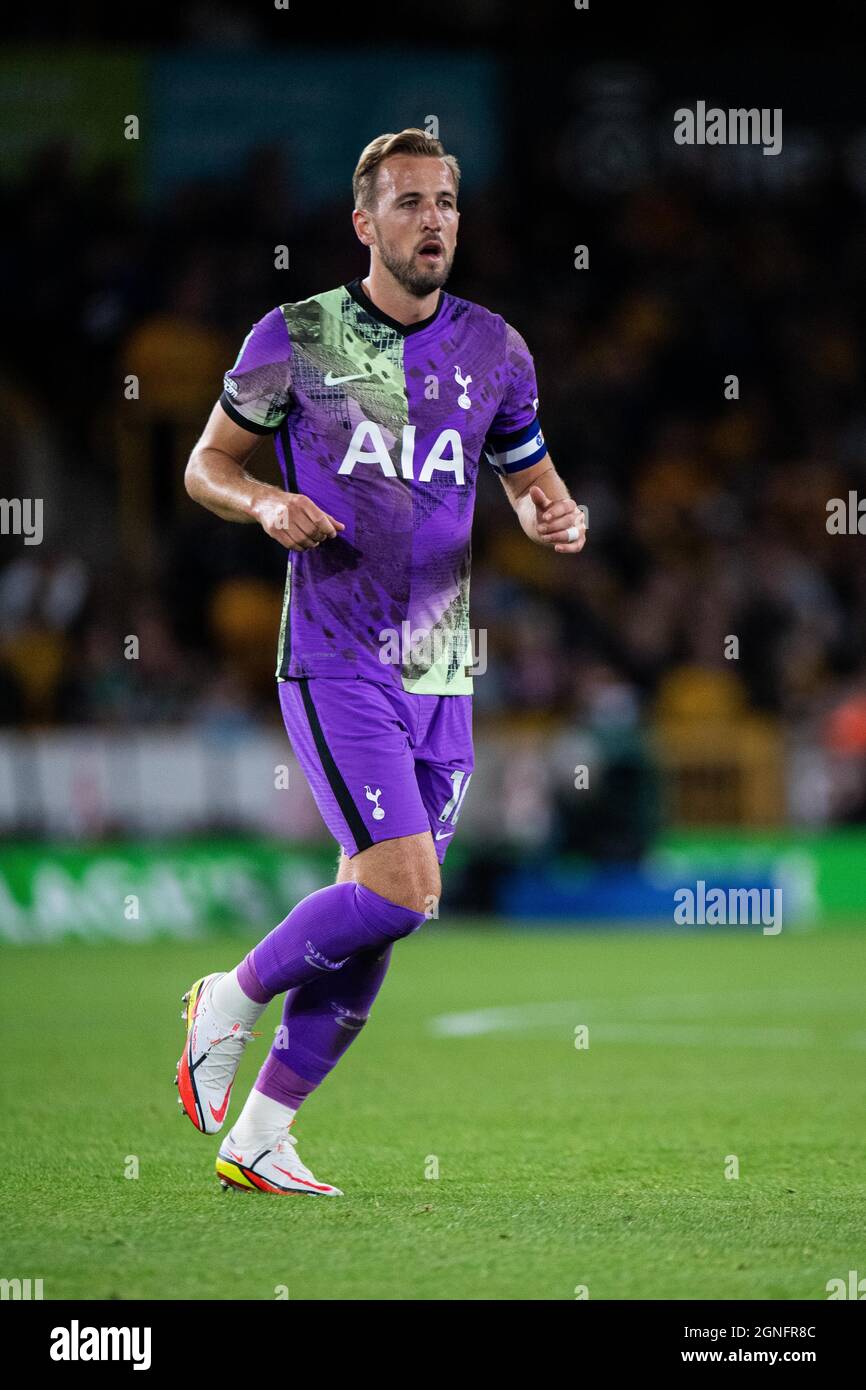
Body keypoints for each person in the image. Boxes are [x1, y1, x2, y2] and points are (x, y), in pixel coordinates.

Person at [176, 128, 586, 1195]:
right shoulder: (295, 336)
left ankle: (262, 1133)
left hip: (441, 667)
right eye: (408, 203)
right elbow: (205, 465)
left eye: (445, 201)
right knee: (404, 886)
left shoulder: (497, 348)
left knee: (380, 913)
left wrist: (553, 513)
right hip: (335, 653)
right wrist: (264, 498)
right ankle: (227, 994)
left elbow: (527, 476)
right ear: (364, 222)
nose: (433, 220)